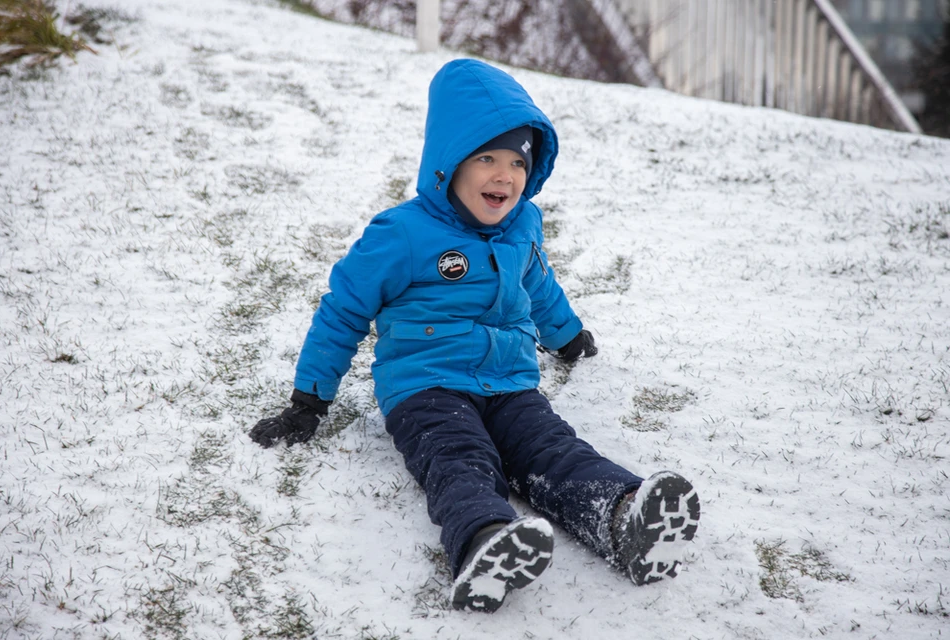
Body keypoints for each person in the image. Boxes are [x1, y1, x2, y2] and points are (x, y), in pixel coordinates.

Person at [249, 58, 701, 613]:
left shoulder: (522, 226)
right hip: (425, 387)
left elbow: (539, 283)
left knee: (552, 450)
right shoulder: (402, 234)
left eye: (517, 161)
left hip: (509, 381)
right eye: (486, 157)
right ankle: (485, 542)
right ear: (448, 165)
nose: (504, 175)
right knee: (461, 459)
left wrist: (567, 335)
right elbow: (342, 311)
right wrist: (308, 401)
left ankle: (622, 516)